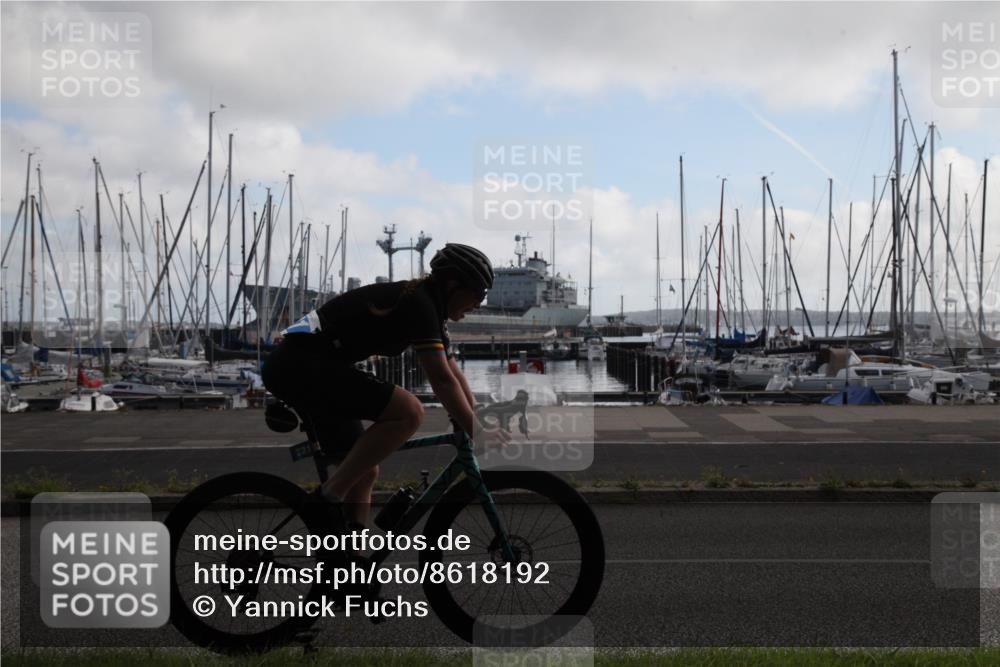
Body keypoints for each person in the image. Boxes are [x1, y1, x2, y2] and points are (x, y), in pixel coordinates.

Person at [261, 243, 510, 530]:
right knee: (409, 412)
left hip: (311, 366)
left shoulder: (431, 308)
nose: (479, 303)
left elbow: (452, 373)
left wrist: (475, 420)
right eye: (478, 293)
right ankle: (326, 499)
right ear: (453, 285)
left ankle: (348, 563)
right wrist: (476, 431)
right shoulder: (420, 303)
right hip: (297, 365)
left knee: (363, 471)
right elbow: (440, 379)